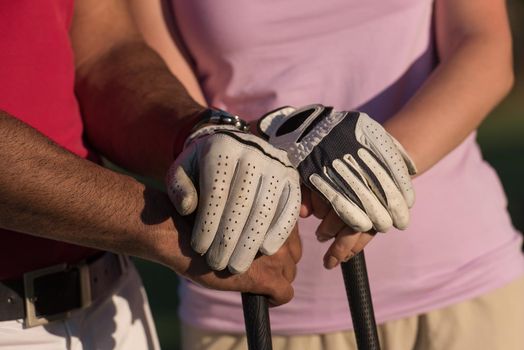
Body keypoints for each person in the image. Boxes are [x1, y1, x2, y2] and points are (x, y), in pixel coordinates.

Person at [134, 0, 524, 349]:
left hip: (462, 286)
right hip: (251, 297)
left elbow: (481, 44)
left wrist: (374, 168)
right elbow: (161, 91)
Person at [0, 0, 303, 348]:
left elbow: (103, 52)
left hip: (112, 303)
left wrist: (199, 136)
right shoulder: (159, 231)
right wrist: (163, 229)